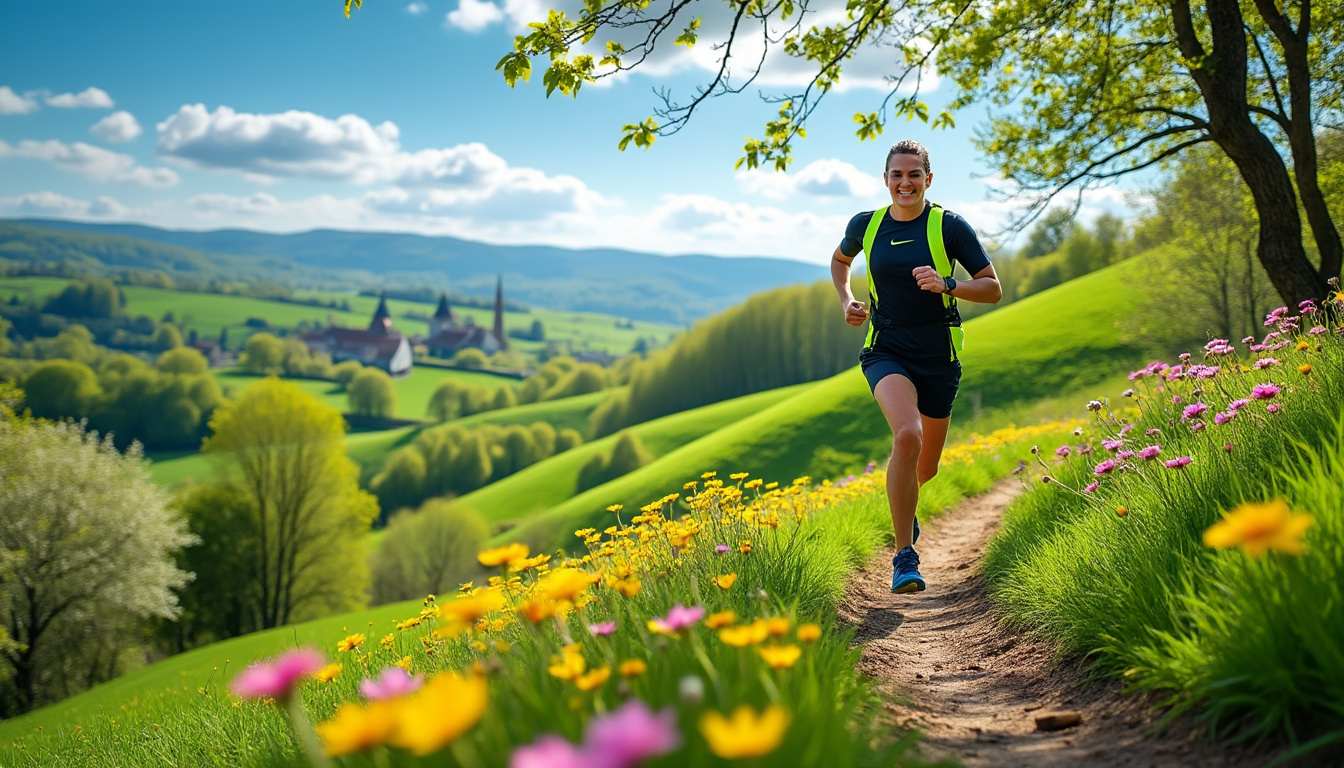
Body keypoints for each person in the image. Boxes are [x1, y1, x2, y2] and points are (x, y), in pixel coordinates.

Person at [830, 139, 1002, 593]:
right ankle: (904, 555)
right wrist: (847, 300)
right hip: (885, 348)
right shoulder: (866, 225)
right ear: (885, 179)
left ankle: (906, 508)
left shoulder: (949, 226)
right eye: (897, 175)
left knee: (925, 469)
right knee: (907, 435)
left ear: (928, 179)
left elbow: (992, 288)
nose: (905, 183)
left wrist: (948, 284)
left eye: (914, 175)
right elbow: (840, 260)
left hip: (938, 356)